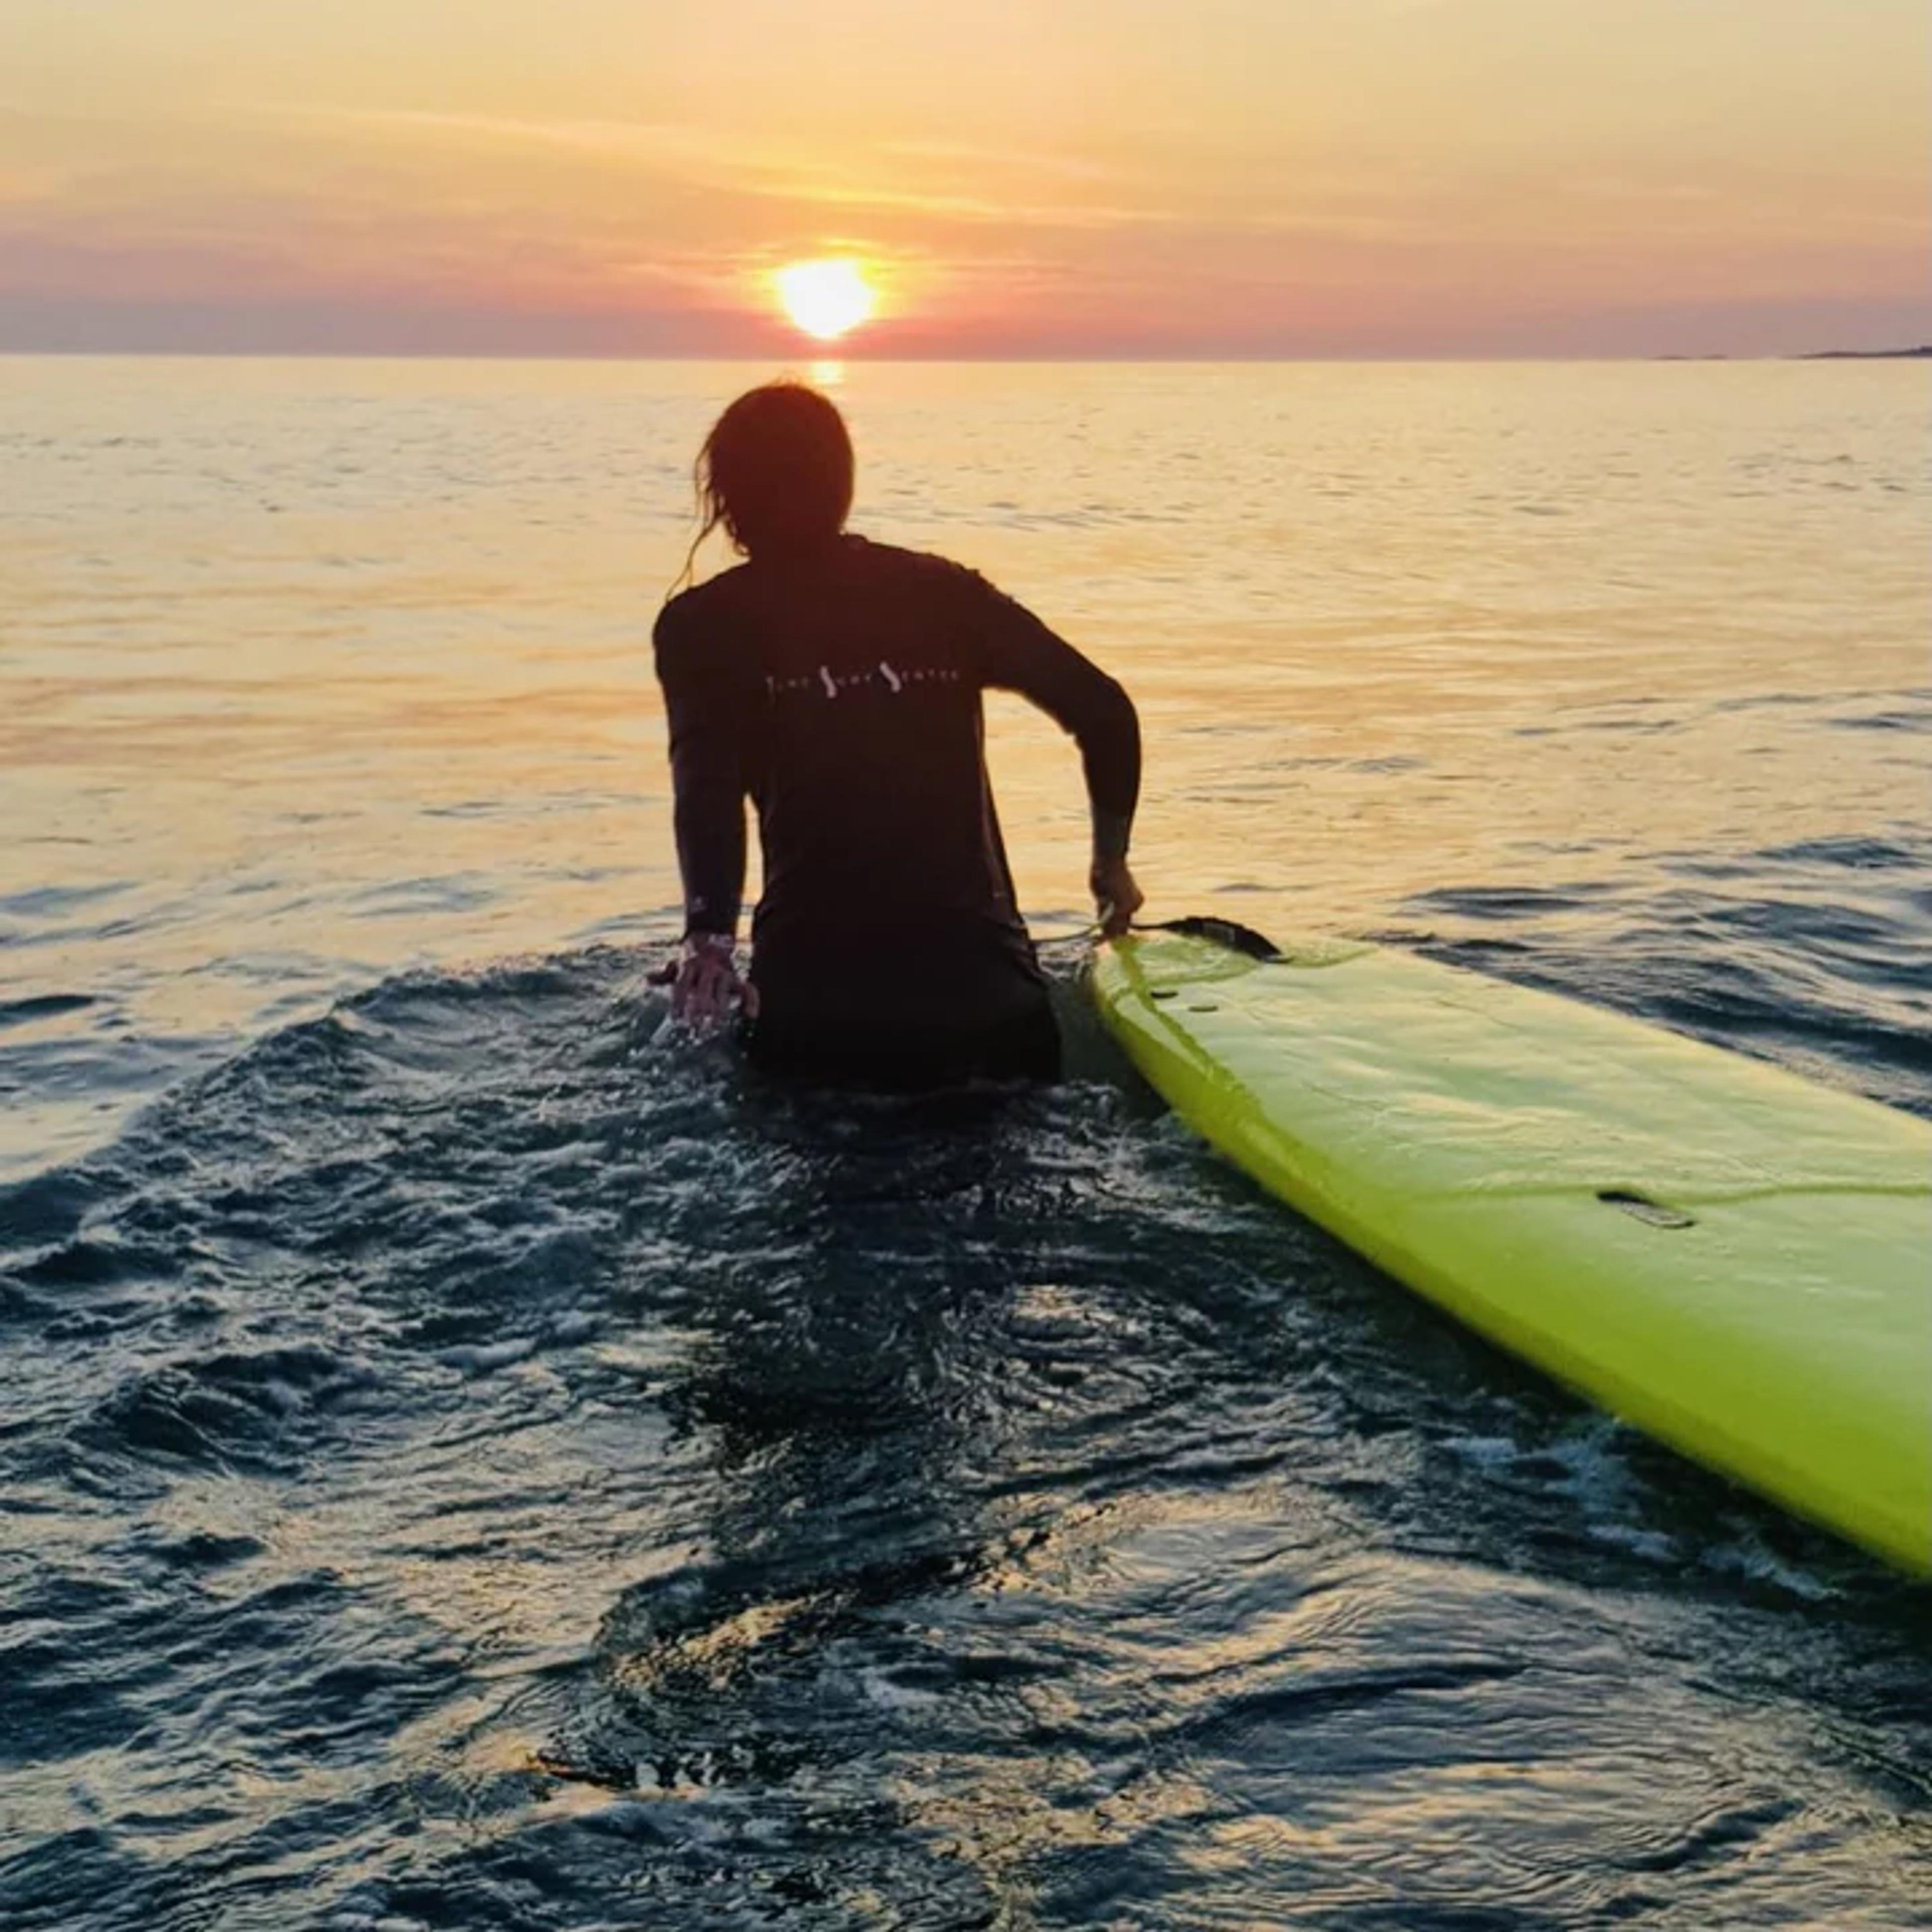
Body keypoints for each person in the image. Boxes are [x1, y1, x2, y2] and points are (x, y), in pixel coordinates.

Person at [653, 381, 1143, 1088]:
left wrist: (709, 938)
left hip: (821, 1024)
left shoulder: (702, 626)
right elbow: (1105, 711)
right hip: (991, 1015)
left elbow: (707, 786)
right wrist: (1110, 870)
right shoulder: (946, 595)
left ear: (728, 501)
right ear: (843, 485)